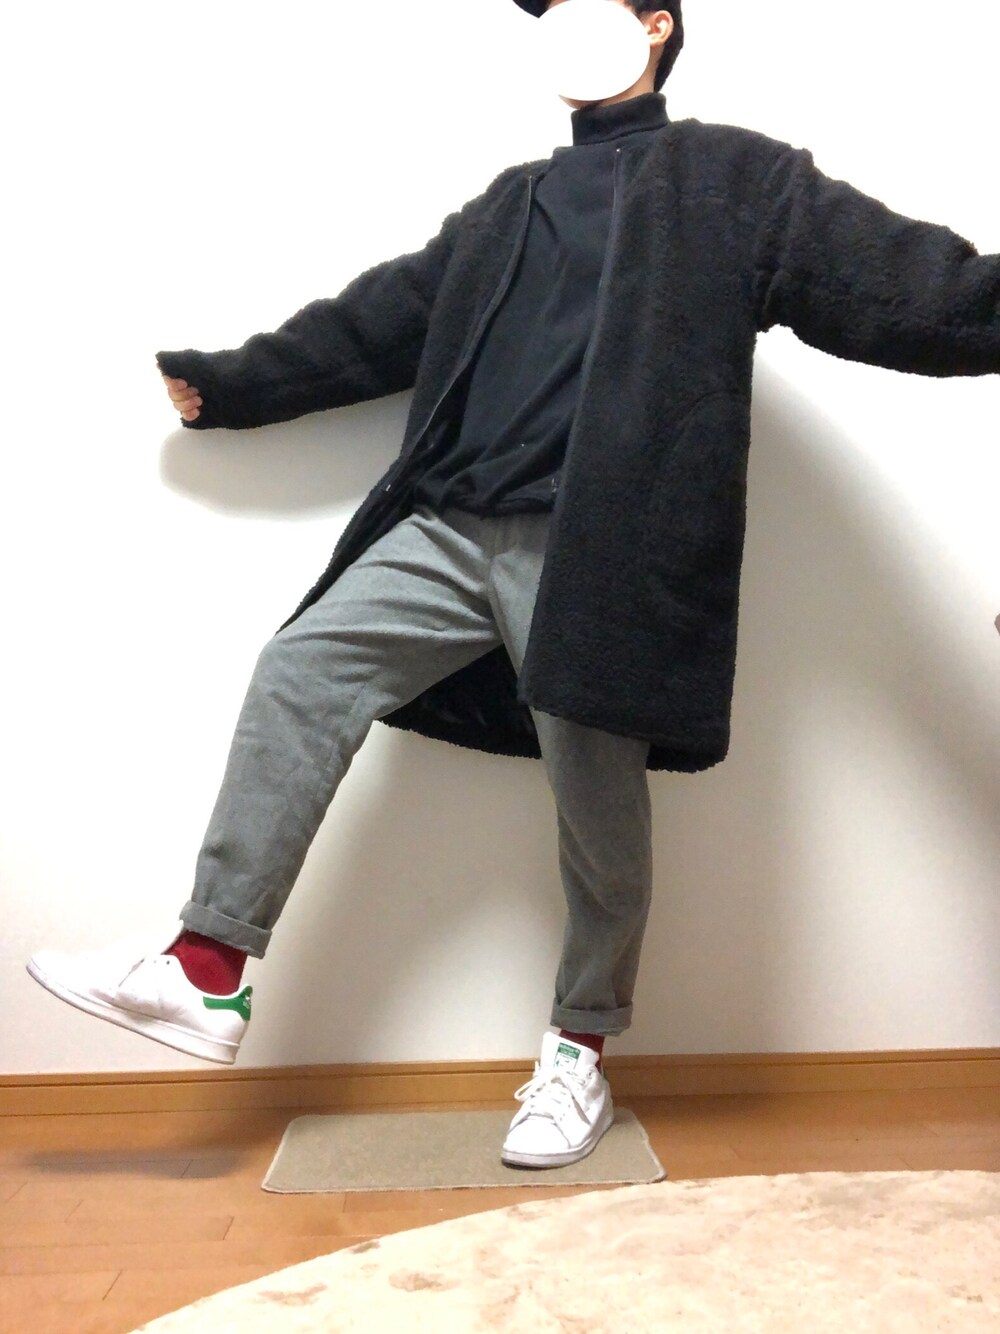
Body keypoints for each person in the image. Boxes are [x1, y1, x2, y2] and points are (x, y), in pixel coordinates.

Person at [26, 0, 1000, 1170]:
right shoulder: (508, 205)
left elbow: (907, 290)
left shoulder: (732, 180)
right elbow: (376, 323)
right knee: (303, 665)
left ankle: (579, 1047)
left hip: (601, 547)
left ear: (654, 26)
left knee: (598, 810)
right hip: (447, 528)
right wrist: (234, 385)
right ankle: (206, 966)